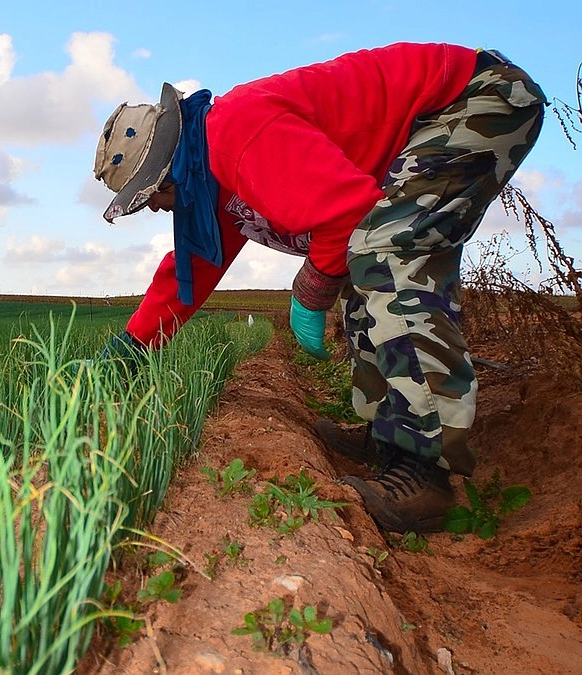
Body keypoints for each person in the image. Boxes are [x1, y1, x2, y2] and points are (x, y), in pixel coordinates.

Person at [91, 43, 545, 533]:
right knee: (361, 257)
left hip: (476, 98)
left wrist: (310, 289)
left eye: (151, 196)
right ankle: (389, 432)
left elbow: (346, 214)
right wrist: (131, 349)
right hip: (441, 116)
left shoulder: (234, 134)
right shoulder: (211, 177)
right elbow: (194, 267)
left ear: (167, 170)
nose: (156, 208)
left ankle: (425, 469)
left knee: (382, 249)